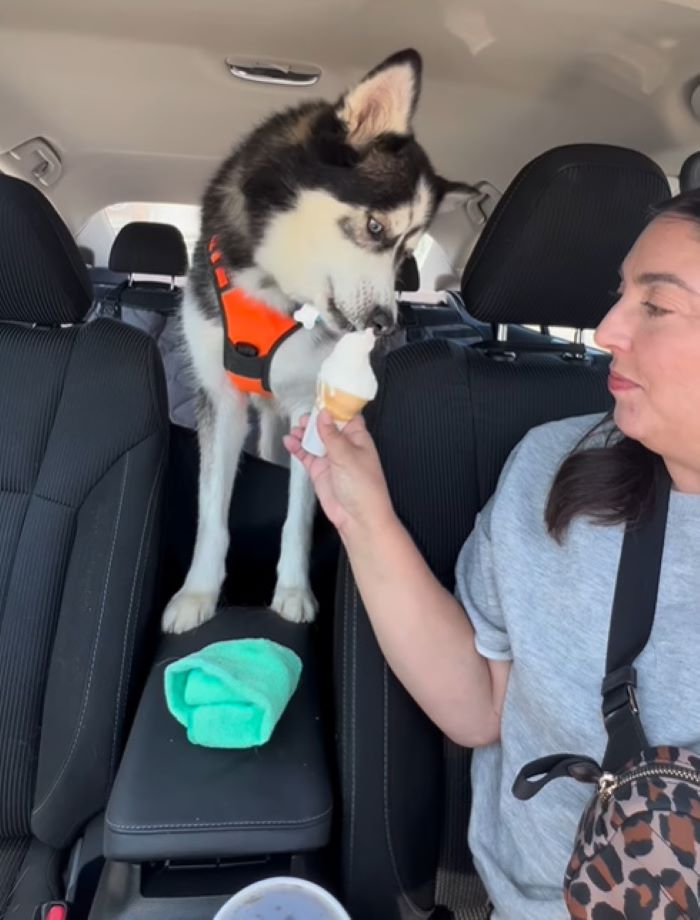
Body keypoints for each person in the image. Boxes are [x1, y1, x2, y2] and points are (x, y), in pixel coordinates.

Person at [284, 189, 700, 919]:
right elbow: (482, 705)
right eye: (620, 294)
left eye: (656, 306)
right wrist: (360, 513)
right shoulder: (555, 469)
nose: (606, 330)